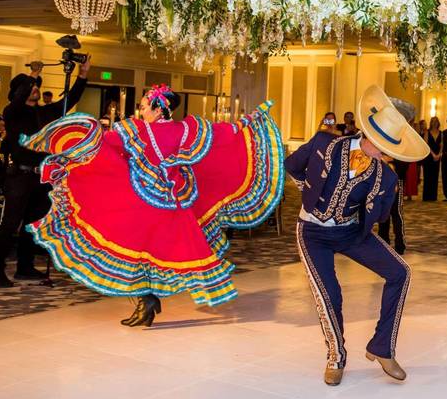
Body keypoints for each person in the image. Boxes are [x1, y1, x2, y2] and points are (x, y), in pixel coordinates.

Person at [21, 83, 283, 325]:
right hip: (176, 202)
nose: (142, 109)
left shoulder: (136, 129)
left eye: (146, 105)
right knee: (161, 254)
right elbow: (223, 133)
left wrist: (69, 153)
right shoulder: (186, 130)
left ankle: (147, 300)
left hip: (145, 201)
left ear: (159, 109)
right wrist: (248, 121)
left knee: (137, 250)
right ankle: (148, 300)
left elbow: (103, 143)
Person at [286, 84, 429, 386]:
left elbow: (382, 214)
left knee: (400, 272)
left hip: (350, 232)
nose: (387, 155)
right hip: (313, 232)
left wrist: (372, 202)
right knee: (330, 295)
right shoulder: (325, 145)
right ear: (368, 137)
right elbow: (294, 166)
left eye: (390, 150)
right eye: (383, 147)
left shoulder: (386, 176)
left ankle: (382, 348)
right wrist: (310, 195)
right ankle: (336, 356)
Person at [0, 59, 90, 286]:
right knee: (10, 224)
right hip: (19, 176)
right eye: (31, 87)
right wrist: (33, 74)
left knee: (33, 223)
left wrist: (82, 75)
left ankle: (25, 267)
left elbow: (70, 100)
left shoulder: (44, 112)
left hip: (41, 177)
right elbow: (18, 100)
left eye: (37, 85)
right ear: (20, 92)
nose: (36, 88)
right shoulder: (12, 112)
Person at [379, 99, 416, 255]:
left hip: (396, 180)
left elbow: (406, 160)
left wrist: (390, 159)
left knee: (396, 213)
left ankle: (400, 244)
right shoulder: (383, 133)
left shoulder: (405, 137)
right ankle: (383, 242)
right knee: (382, 212)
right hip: (381, 180)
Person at [421, 117, 443, 201]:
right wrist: (433, 154)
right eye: (433, 121)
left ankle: (433, 196)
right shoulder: (427, 132)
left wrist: (439, 154)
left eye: (436, 121)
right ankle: (427, 196)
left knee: (435, 176)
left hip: (437, 157)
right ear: (431, 123)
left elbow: (442, 144)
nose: (434, 123)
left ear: (438, 123)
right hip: (429, 157)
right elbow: (426, 145)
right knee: (428, 176)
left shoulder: (441, 133)